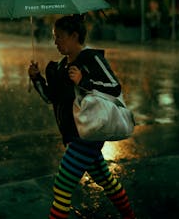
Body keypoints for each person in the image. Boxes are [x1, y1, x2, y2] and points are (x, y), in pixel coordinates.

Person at [28, 14, 136, 219]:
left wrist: (83, 81)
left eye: (59, 37)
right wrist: (37, 79)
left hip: (89, 134)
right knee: (106, 180)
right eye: (54, 37)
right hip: (76, 133)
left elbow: (114, 87)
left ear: (74, 36)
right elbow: (52, 98)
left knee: (62, 186)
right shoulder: (61, 66)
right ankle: (129, 216)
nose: (55, 42)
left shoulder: (92, 58)